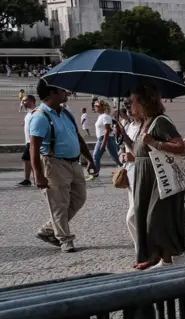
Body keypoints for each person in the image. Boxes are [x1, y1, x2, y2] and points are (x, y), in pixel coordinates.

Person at [117, 85, 185, 269]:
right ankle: (162, 258)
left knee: (157, 219)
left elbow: (181, 147)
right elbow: (139, 151)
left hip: (160, 178)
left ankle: (174, 257)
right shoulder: (145, 123)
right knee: (145, 217)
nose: (129, 105)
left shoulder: (160, 122)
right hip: (146, 177)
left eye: (132, 101)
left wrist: (155, 142)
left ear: (143, 102)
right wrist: (124, 136)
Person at [28, 80, 95, 252]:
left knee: (79, 198)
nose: (66, 92)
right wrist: (38, 174)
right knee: (59, 204)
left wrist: (90, 158)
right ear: (52, 93)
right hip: (54, 164)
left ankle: (48, 230)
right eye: (62, 90)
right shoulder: (40, 117)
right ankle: (65, 239)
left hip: (74, 162)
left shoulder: (66, 112)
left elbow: (77, 137)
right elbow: (33, 147)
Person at [90, 100, 119, 180]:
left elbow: (107, 130)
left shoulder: (105, 116)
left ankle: (124, 167)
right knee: (96, 156)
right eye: (94, 106)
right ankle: (95, 173)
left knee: (115, 157)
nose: (95, 107)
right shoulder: (101, 116)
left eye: (96, 106)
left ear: (102, 107)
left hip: (106, 138)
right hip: (102, 138)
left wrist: (103, 143)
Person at [17, 94, 37, 186]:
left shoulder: (36, 112)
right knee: (28, 160)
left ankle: (33, 179)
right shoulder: (29, 113)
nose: (23, 102)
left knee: (28, 160)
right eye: (23, 101)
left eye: (25, 100)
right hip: (28, 141)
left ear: (31, 101)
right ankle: (29, 179)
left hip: (32, 140)